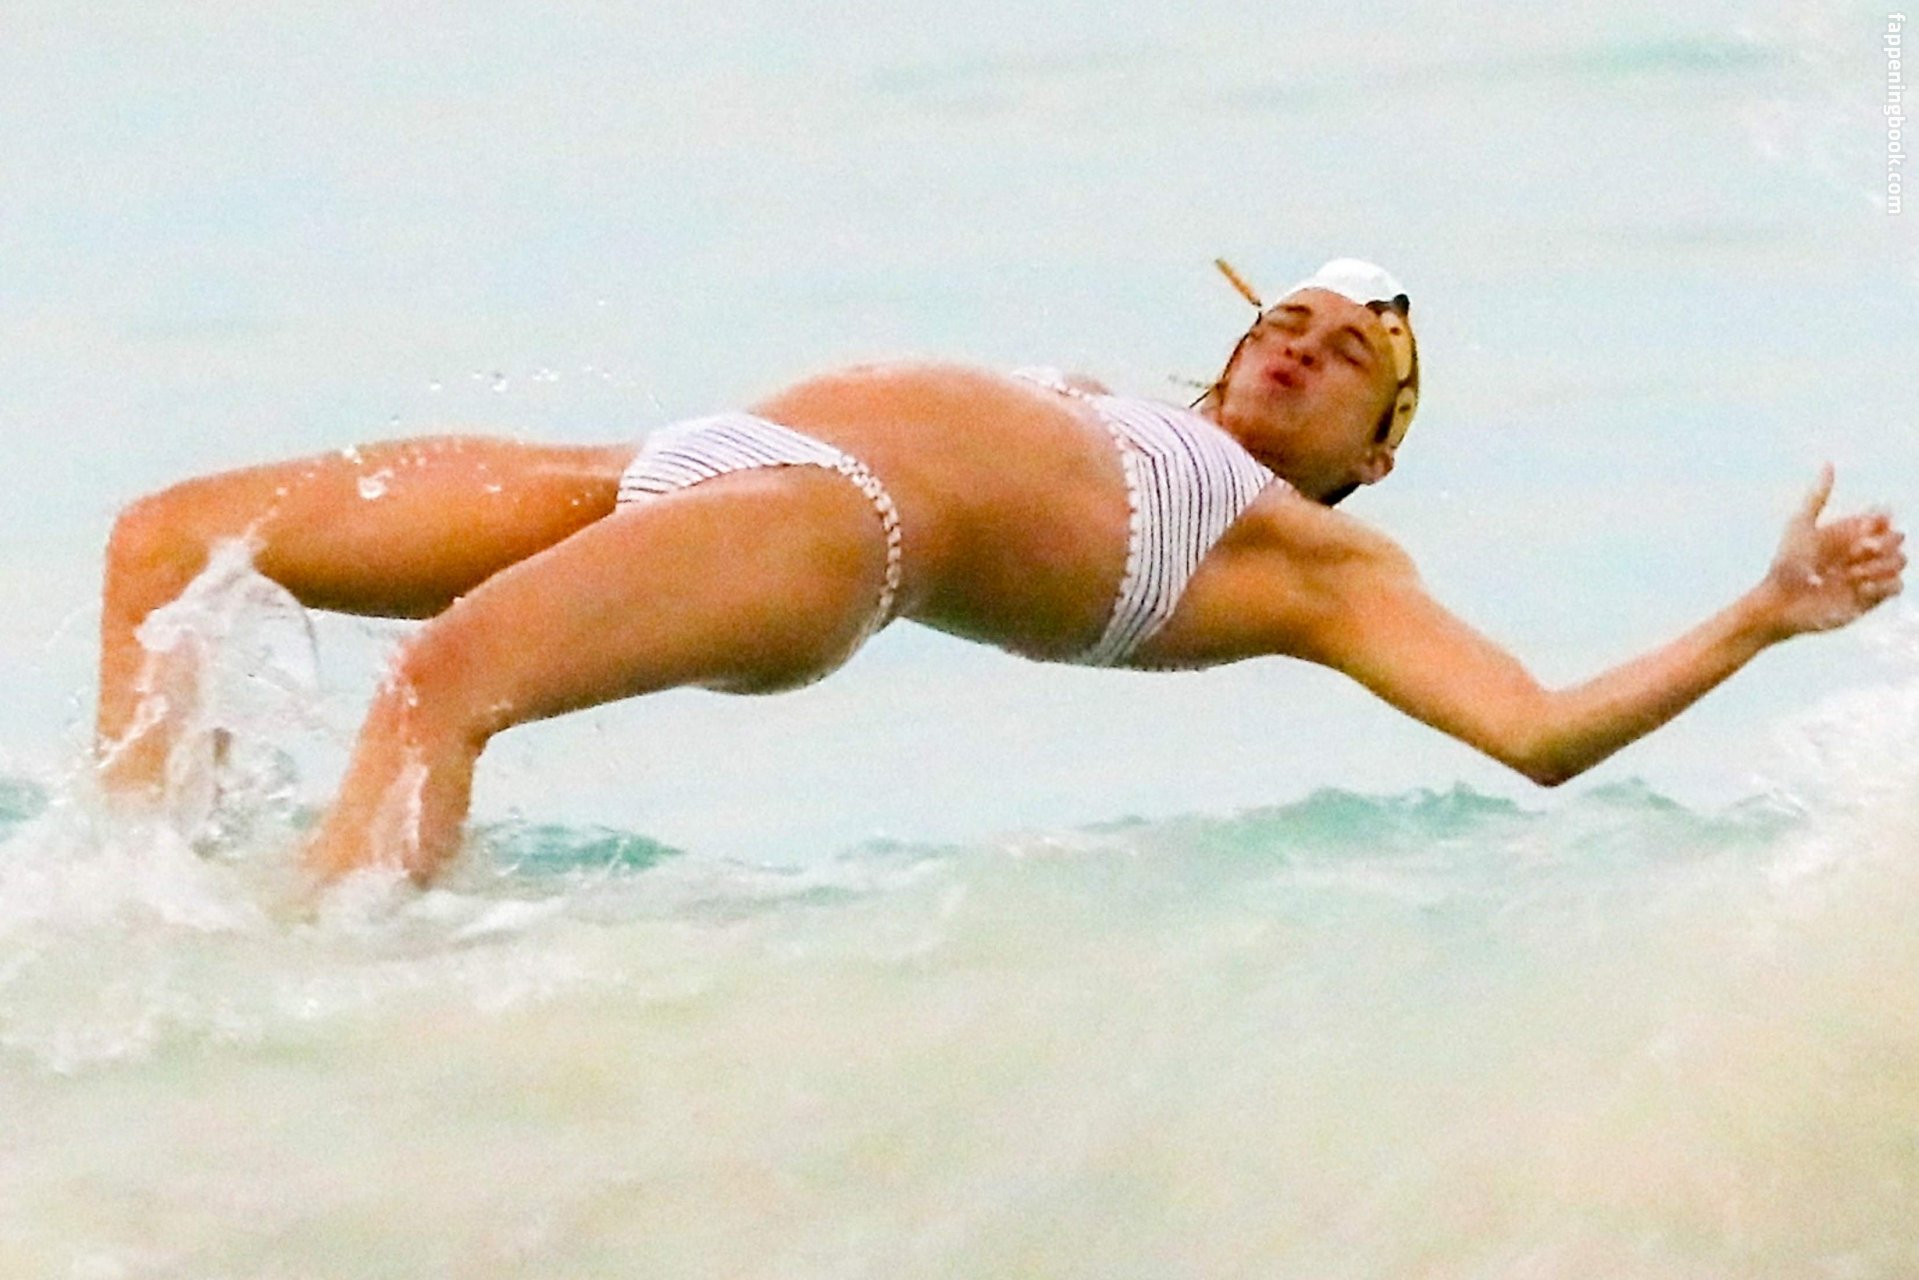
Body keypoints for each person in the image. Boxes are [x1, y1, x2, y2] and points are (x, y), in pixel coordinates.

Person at [92, 259, 1906, 883]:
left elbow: (1536, 734)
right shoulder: (1122, 409)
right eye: (1286, 318)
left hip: (833, 533)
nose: (1307, 338)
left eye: (1354, 354)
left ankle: (320, 1002)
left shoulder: (1317, 560)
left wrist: (1763, 616)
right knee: (171, 545)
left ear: (1375, 454)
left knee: (439, 690)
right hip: (682, 466)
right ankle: (132, 909)